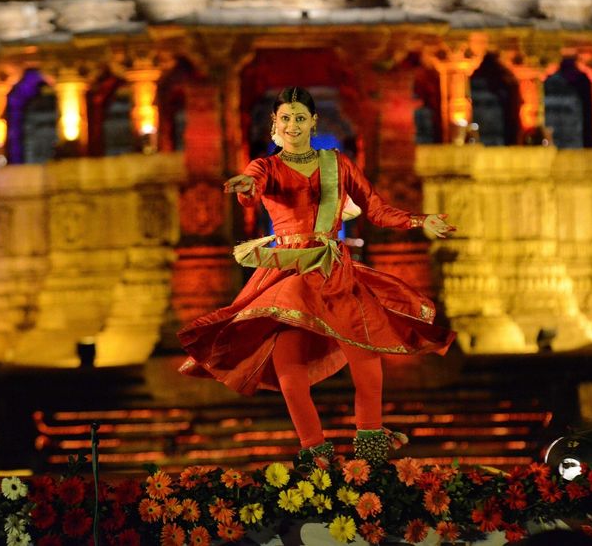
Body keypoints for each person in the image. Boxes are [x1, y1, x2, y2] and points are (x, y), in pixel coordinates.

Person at [178, 86, 456, 466]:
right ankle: (316, 454)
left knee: (367, 359)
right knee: (289, 368)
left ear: (314, 121)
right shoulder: (267, 166)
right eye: (285, 118)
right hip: (290, 271)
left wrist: (421, 220)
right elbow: (253, 182)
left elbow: (375, 209)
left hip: (333, 269)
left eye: (300, 118)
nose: (293, 125)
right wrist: (247, 188)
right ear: (275, 123)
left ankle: (371, 456)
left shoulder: (337, 164)